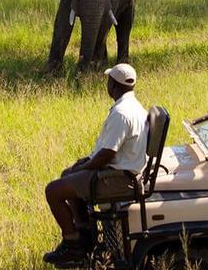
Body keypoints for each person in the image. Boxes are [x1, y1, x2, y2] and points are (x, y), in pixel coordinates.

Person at [42, 63, 148, 268]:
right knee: (67, 174)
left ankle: (73, 246)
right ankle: (84, 233)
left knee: (53, 190)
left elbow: (107, 154)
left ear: (114, 85)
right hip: (123, 172)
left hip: (115, 179)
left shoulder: (121, 114)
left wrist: (84, 168)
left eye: (109, 81)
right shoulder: (135, 107)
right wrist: (84, 163)